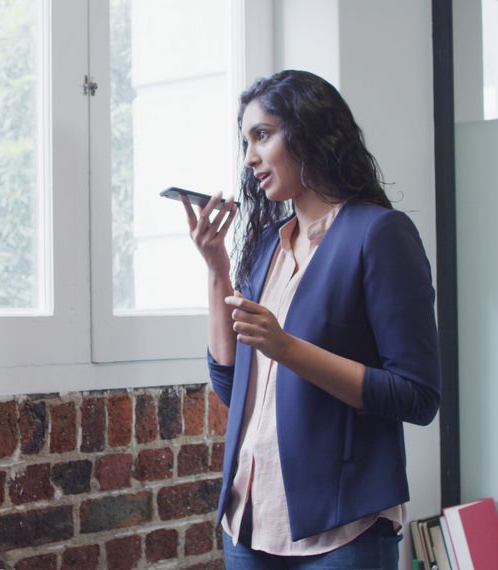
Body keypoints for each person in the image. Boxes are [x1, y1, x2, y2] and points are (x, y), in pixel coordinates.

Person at [180, 70, 441, 569]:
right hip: (250, 519)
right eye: (245, 142)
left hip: (345, 528)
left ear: (309, 130)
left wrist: (287, 348)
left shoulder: (380, 234)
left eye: (263, 135)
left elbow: (417, 395)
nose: (250, 157)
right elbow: (231, 385)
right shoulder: (266, 245)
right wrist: (217, 272)